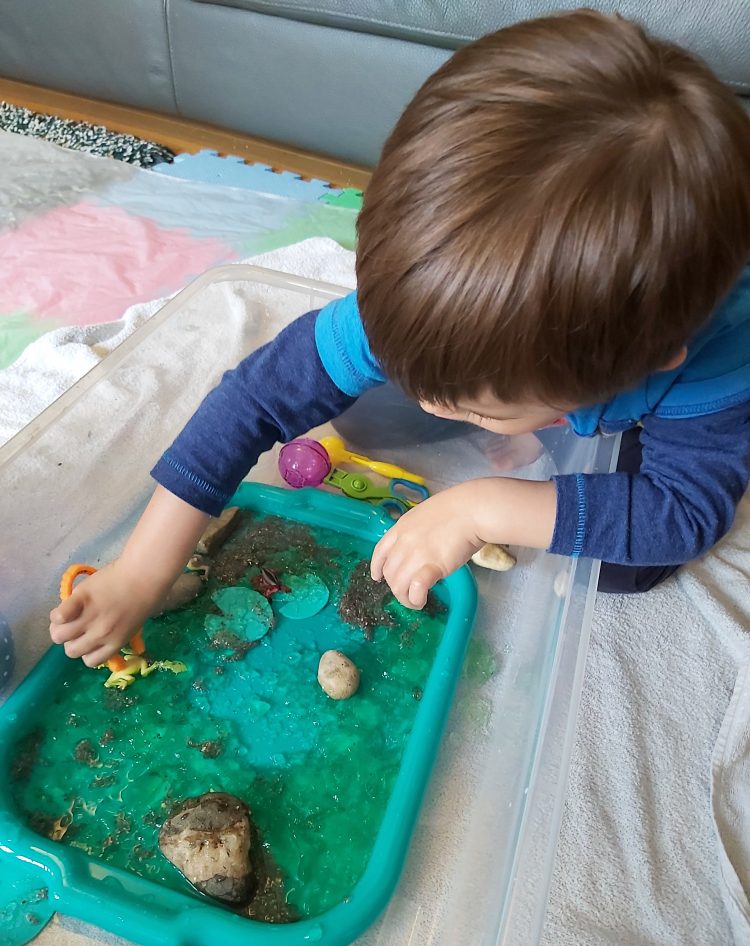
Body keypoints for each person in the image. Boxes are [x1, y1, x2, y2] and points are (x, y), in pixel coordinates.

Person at [50, 10, 750, 668]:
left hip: (675, 385)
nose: (444, 410)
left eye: (479, 408)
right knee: (365, 414)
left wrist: (483, 505)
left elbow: (684, 513)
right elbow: (255, 400)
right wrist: (142, 568)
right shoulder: (434, 291)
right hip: (552, 351)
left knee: (625, 566)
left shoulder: (714, 361)